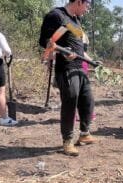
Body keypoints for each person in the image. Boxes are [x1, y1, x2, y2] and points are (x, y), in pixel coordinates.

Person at [39, 0, 96, 156]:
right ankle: (67, 141)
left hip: (80, 67)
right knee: (70, 102)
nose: (88, 8)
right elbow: (46, 41)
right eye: (87, 4)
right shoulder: (56, 16)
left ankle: (84, 134)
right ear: (78, 2)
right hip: (66, 68)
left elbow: (78, 47)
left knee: (87, 101)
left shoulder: (75, 20)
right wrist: (63, 51)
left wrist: (91, 60)